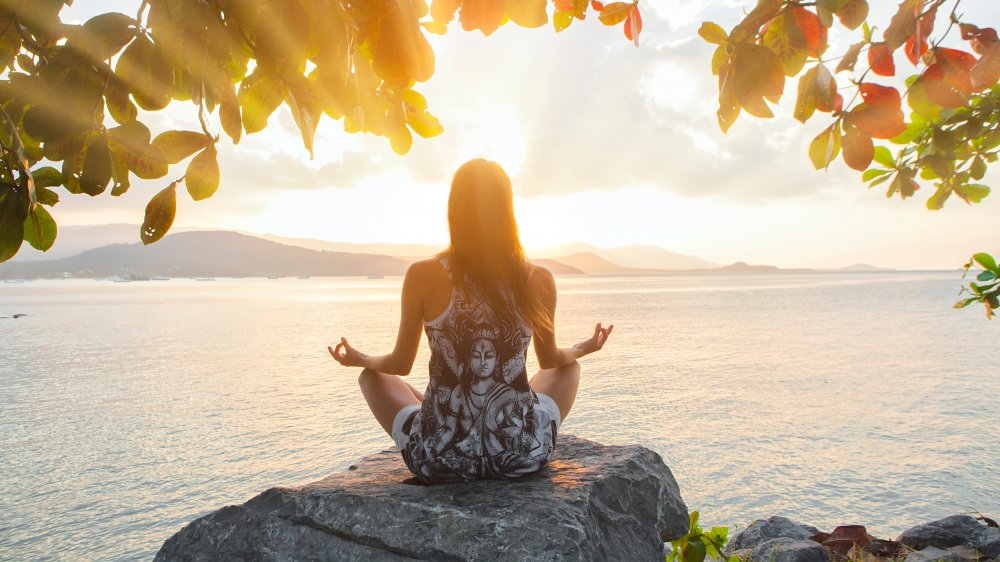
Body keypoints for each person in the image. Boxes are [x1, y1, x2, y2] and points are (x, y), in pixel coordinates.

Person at [329, 158, 613, 484]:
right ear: (508, 210)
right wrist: (584, 348)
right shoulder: (538, 278)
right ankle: (499, 414)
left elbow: (399, 363)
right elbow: (550, 359)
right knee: (569, 368)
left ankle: (443, 410)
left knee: (371, 376)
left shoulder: (423, 275)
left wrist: (359, 359)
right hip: (521, 457)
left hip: (439, 461)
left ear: (454, 209)